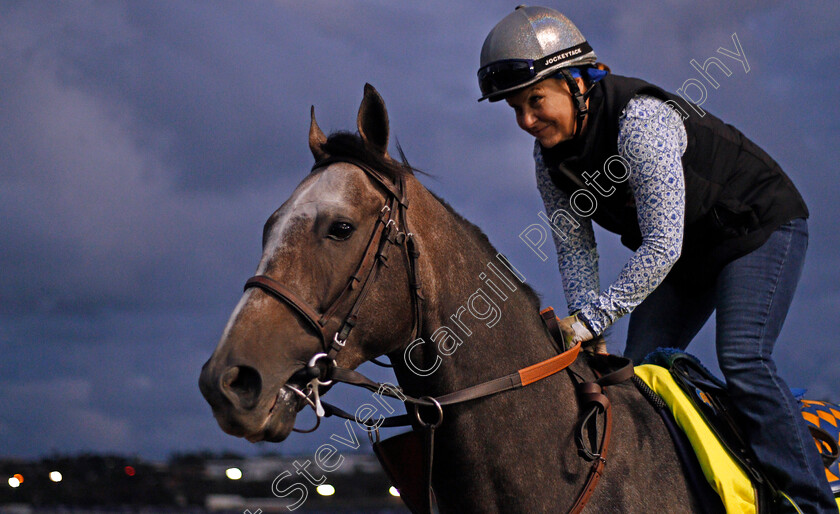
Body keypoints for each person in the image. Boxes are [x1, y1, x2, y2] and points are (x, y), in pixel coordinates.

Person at [477, 5, 835, 513]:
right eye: (514, 109)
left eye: (535, 101)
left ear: (578, 81)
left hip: (756, 227)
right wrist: (590, 335)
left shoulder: (640, 121)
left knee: (744, 359)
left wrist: (592, 318)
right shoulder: (548, 159)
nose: (526, 121)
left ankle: (813, 503)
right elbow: (575, 248)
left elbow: (663, 246)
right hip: (688, 253)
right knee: (641, 377)